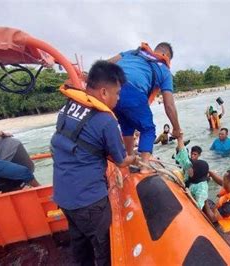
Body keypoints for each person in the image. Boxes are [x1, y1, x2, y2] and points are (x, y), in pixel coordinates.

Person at [51, 61, 137, 266]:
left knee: (79, 243)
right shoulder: (106, 121)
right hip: (89, 201)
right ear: (105, 92)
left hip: (63, 196)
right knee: (103, 249)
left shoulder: (68, 107)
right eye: (117, 94)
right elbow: (121, 161)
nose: (118, 99)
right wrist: (136, 158)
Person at [108, 42, 182, 173]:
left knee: (127, 125)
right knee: (148, 129)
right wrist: (176, 128)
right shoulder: (164, 71)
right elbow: (169, 105)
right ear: (167, 57)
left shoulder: (133, 52)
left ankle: (129, 158)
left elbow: (107, 64)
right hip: (132, 91)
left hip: (109, 90)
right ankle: (144, 167)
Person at [174, 136, 209, 209]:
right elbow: (184, 156)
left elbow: (199, 207)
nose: (189, 170)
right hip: (188, 186)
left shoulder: (202, 189)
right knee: (176, 173)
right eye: (192, 154)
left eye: (195, 154)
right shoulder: (191, 165)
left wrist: (189, 195)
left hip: (191, 195)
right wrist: (179, 138)